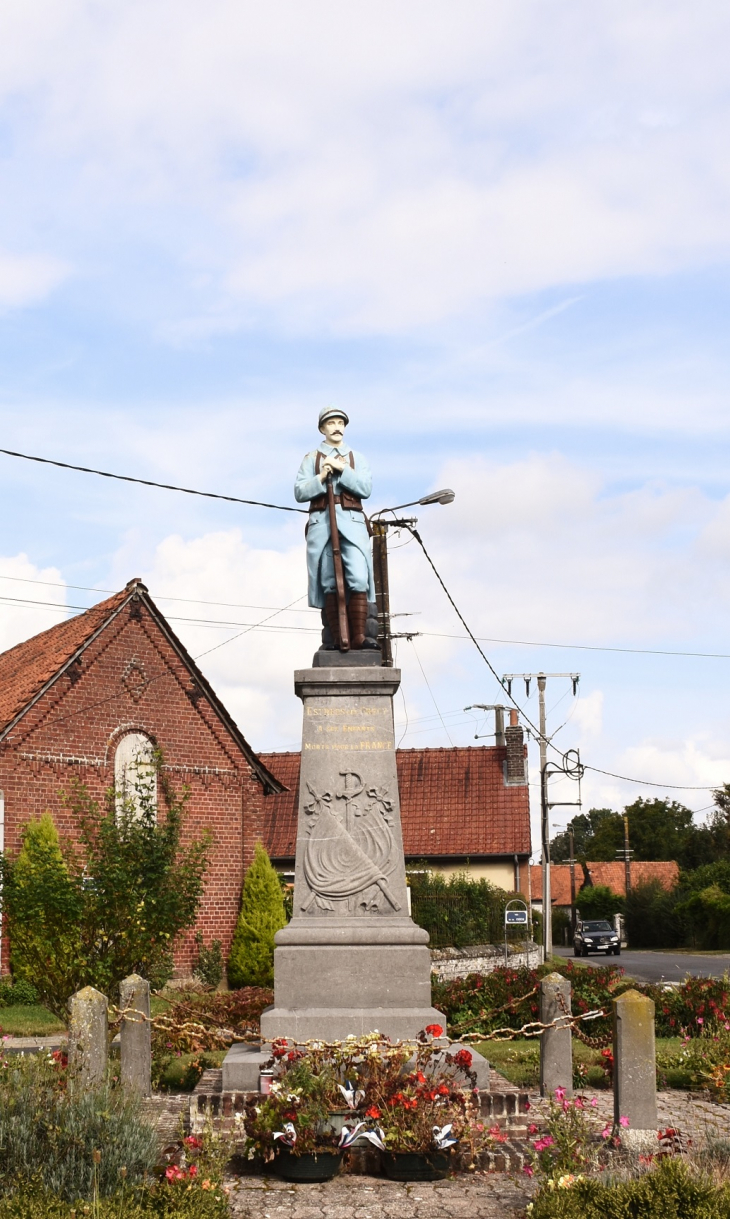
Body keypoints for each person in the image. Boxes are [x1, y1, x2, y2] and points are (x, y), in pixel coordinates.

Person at [295, 408, 376, 649]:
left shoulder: (355, 458)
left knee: (358, 578)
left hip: (351, 522)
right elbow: (300, 492)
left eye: (340, 422)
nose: (337, 427)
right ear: (323, 428)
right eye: (331, 423)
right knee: (329, 580)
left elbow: (365, 488)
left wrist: (342, 470)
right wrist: (321, 477)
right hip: (323, 524)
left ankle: (359, 636)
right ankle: (335, 637)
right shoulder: (312, 458)